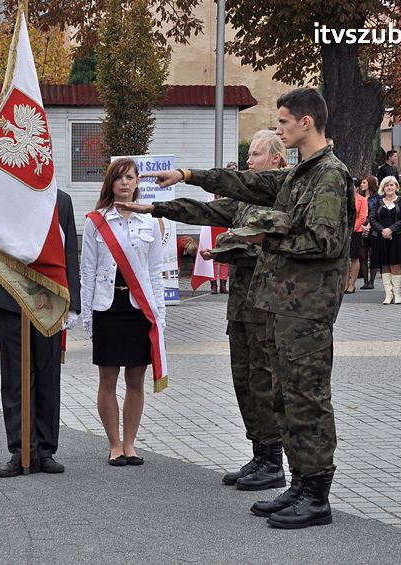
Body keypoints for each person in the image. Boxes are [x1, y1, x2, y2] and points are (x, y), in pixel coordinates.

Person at [152, 88, 352, 529]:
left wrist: (264, 238)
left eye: (283, 122)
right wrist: (188, 173)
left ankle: (317, 494)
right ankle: (299, 482)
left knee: (307, 398)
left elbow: (325, 241)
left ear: (306, 122)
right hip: (283, 305)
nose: (278, 129)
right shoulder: (302, 173)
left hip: (308, 308)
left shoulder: (330, 175)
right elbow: (249, 185)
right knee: (283, 394)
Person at [119, 130, 289, 490]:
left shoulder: (283, 196)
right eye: (250, 156)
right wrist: (157, 208)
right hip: (242, 305)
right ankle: (259, 453)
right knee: (243, 380)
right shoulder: (243, 203)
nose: (249, 162)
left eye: (256, 155)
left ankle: (274, 460)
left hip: (268, 303)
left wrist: (230, 248)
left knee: (263, 382)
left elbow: (273, 246)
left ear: (276, 160)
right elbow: (205, 210)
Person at [0, 189, 81, 477]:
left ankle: (45, 450)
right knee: (15, 375)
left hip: (49, 299)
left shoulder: (61, 200)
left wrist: (72, 304)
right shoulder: (2, 192)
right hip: (11, 297)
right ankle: (20, 449)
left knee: (47, 373)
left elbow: (68, 253)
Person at [81, 158, 165, 467]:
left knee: (136, 379)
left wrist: (160, 316)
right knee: (107, 378)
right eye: (119, 177)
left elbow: (155, 273)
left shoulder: (150, 221)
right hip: (107, 307)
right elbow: (87, 272)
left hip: (138, 309)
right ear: (110, 183)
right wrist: (88, 316)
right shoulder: (96, 221)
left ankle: (130, 444)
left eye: (130, 177)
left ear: (137, 182)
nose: (125, 183)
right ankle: (114, 444)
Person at [369, 176, 401, 304]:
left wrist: (391, 230)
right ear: (383, 188)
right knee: (384, 265)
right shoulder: (377, 202)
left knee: (395, 264)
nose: (389, 187)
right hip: (381, 237)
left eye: (392, 185)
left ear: (396, 187)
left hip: (398, 236)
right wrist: (383, 230)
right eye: (387, 185)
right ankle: (388, 295)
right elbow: (372, 218)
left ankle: (397, 294)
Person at [345, 178, 368, 293]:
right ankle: (345, 283)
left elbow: (362, 217)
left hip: (355, 231)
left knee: (354, 257)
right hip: (344, 231)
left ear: (357, 187)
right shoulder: (344, 199)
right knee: (345, 258)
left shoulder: (362, 200)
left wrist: (352, 229)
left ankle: (352, 284)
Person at [359, 176, 380, 289]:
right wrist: (362, 226)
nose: (361, 185)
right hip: (361, 227)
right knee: (362, 256)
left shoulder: (377, 198)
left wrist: (369, 225)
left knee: (373, 255)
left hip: (373, 228)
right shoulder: (360, 197)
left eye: (364, 182)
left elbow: (376, 213)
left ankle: (371, 281)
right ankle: (365, 281)